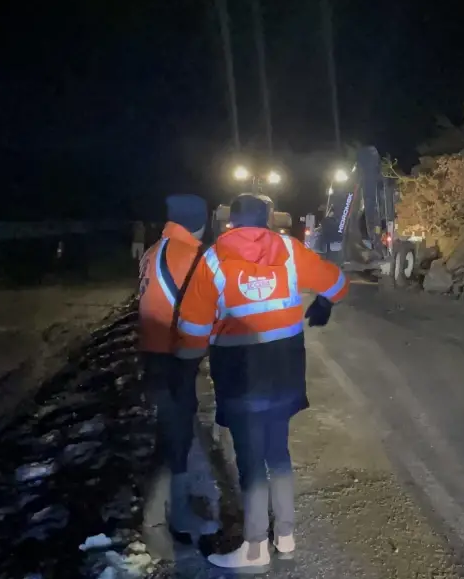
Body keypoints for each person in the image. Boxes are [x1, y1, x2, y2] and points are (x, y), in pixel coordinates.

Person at [180, 194, 348, 571]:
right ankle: (285, 536)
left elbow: (191, 328)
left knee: (252, 462)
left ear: (230, 220)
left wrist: (188, 363)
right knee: (278, 454)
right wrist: (325, 303)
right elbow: (336, 282)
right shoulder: (288, 250)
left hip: (240, 375)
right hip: (285, 371)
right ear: (269, 218)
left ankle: (255, 547)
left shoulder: (214, 260)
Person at [136, 194, 218, 541]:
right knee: (177, 439)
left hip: (154, 354)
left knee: (170, 436)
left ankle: (167, 513)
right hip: (175, 358)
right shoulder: (189, 256)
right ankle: (164, 521)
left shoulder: (154, 251)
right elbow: (205, 310)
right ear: (197, 220)